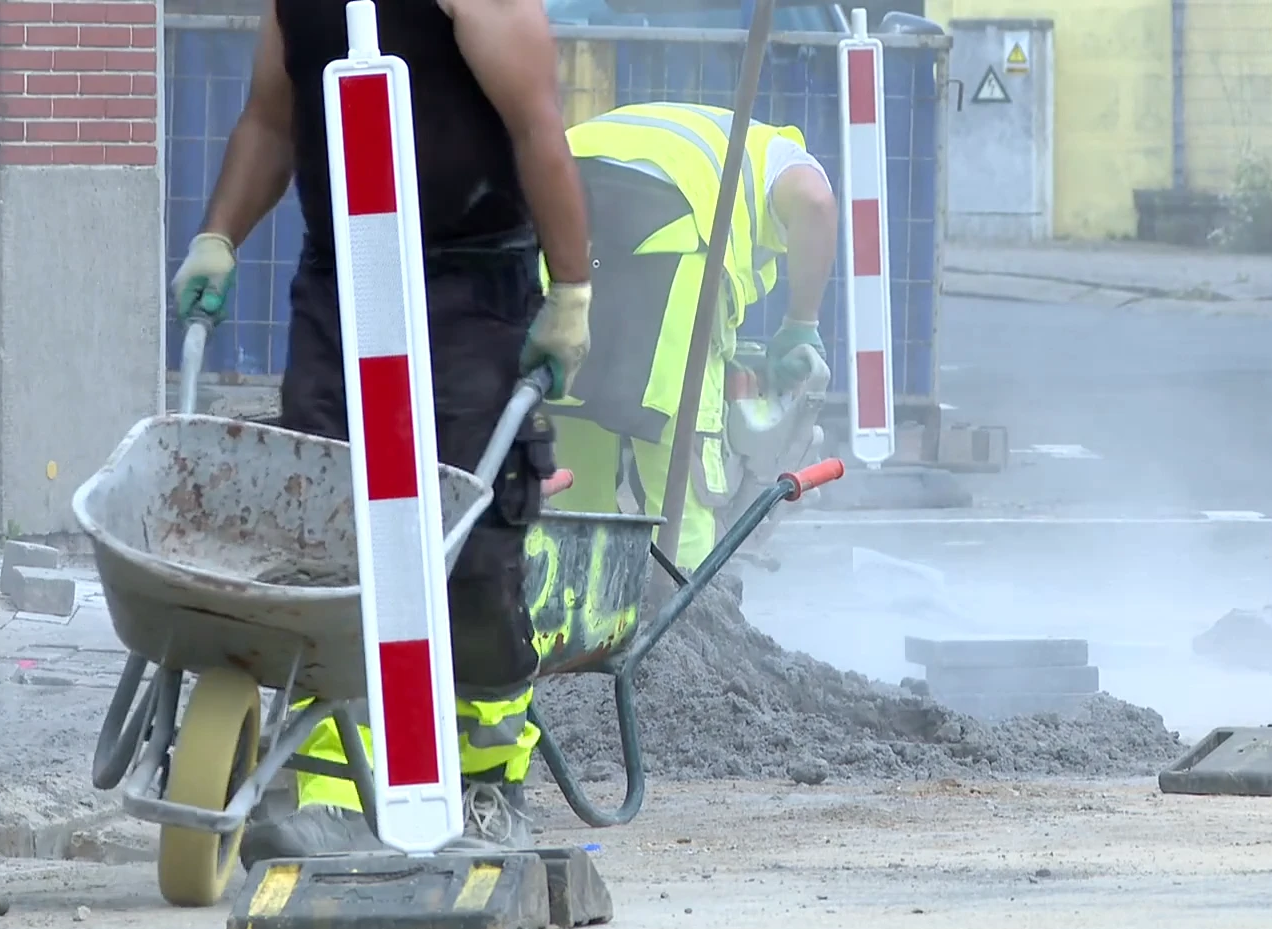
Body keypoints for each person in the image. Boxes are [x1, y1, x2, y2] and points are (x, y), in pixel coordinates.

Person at [169, 0, 592, 859]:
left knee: (470, 543)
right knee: (327, 530)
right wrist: (219, 235)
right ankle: (333, 788)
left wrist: (571, 290)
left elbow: (537, 129)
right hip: (345, 275)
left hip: (471, 287)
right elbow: (270, 122)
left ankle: (487, 783)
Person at [543, 102, 839, 569]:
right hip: (667, 246)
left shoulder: (685, 132)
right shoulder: (775, 155)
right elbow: (817, 202)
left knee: (574, 456)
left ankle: (576, 606)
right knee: (681, 465)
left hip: (558, 220)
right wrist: (801, 323)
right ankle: (689, 613)